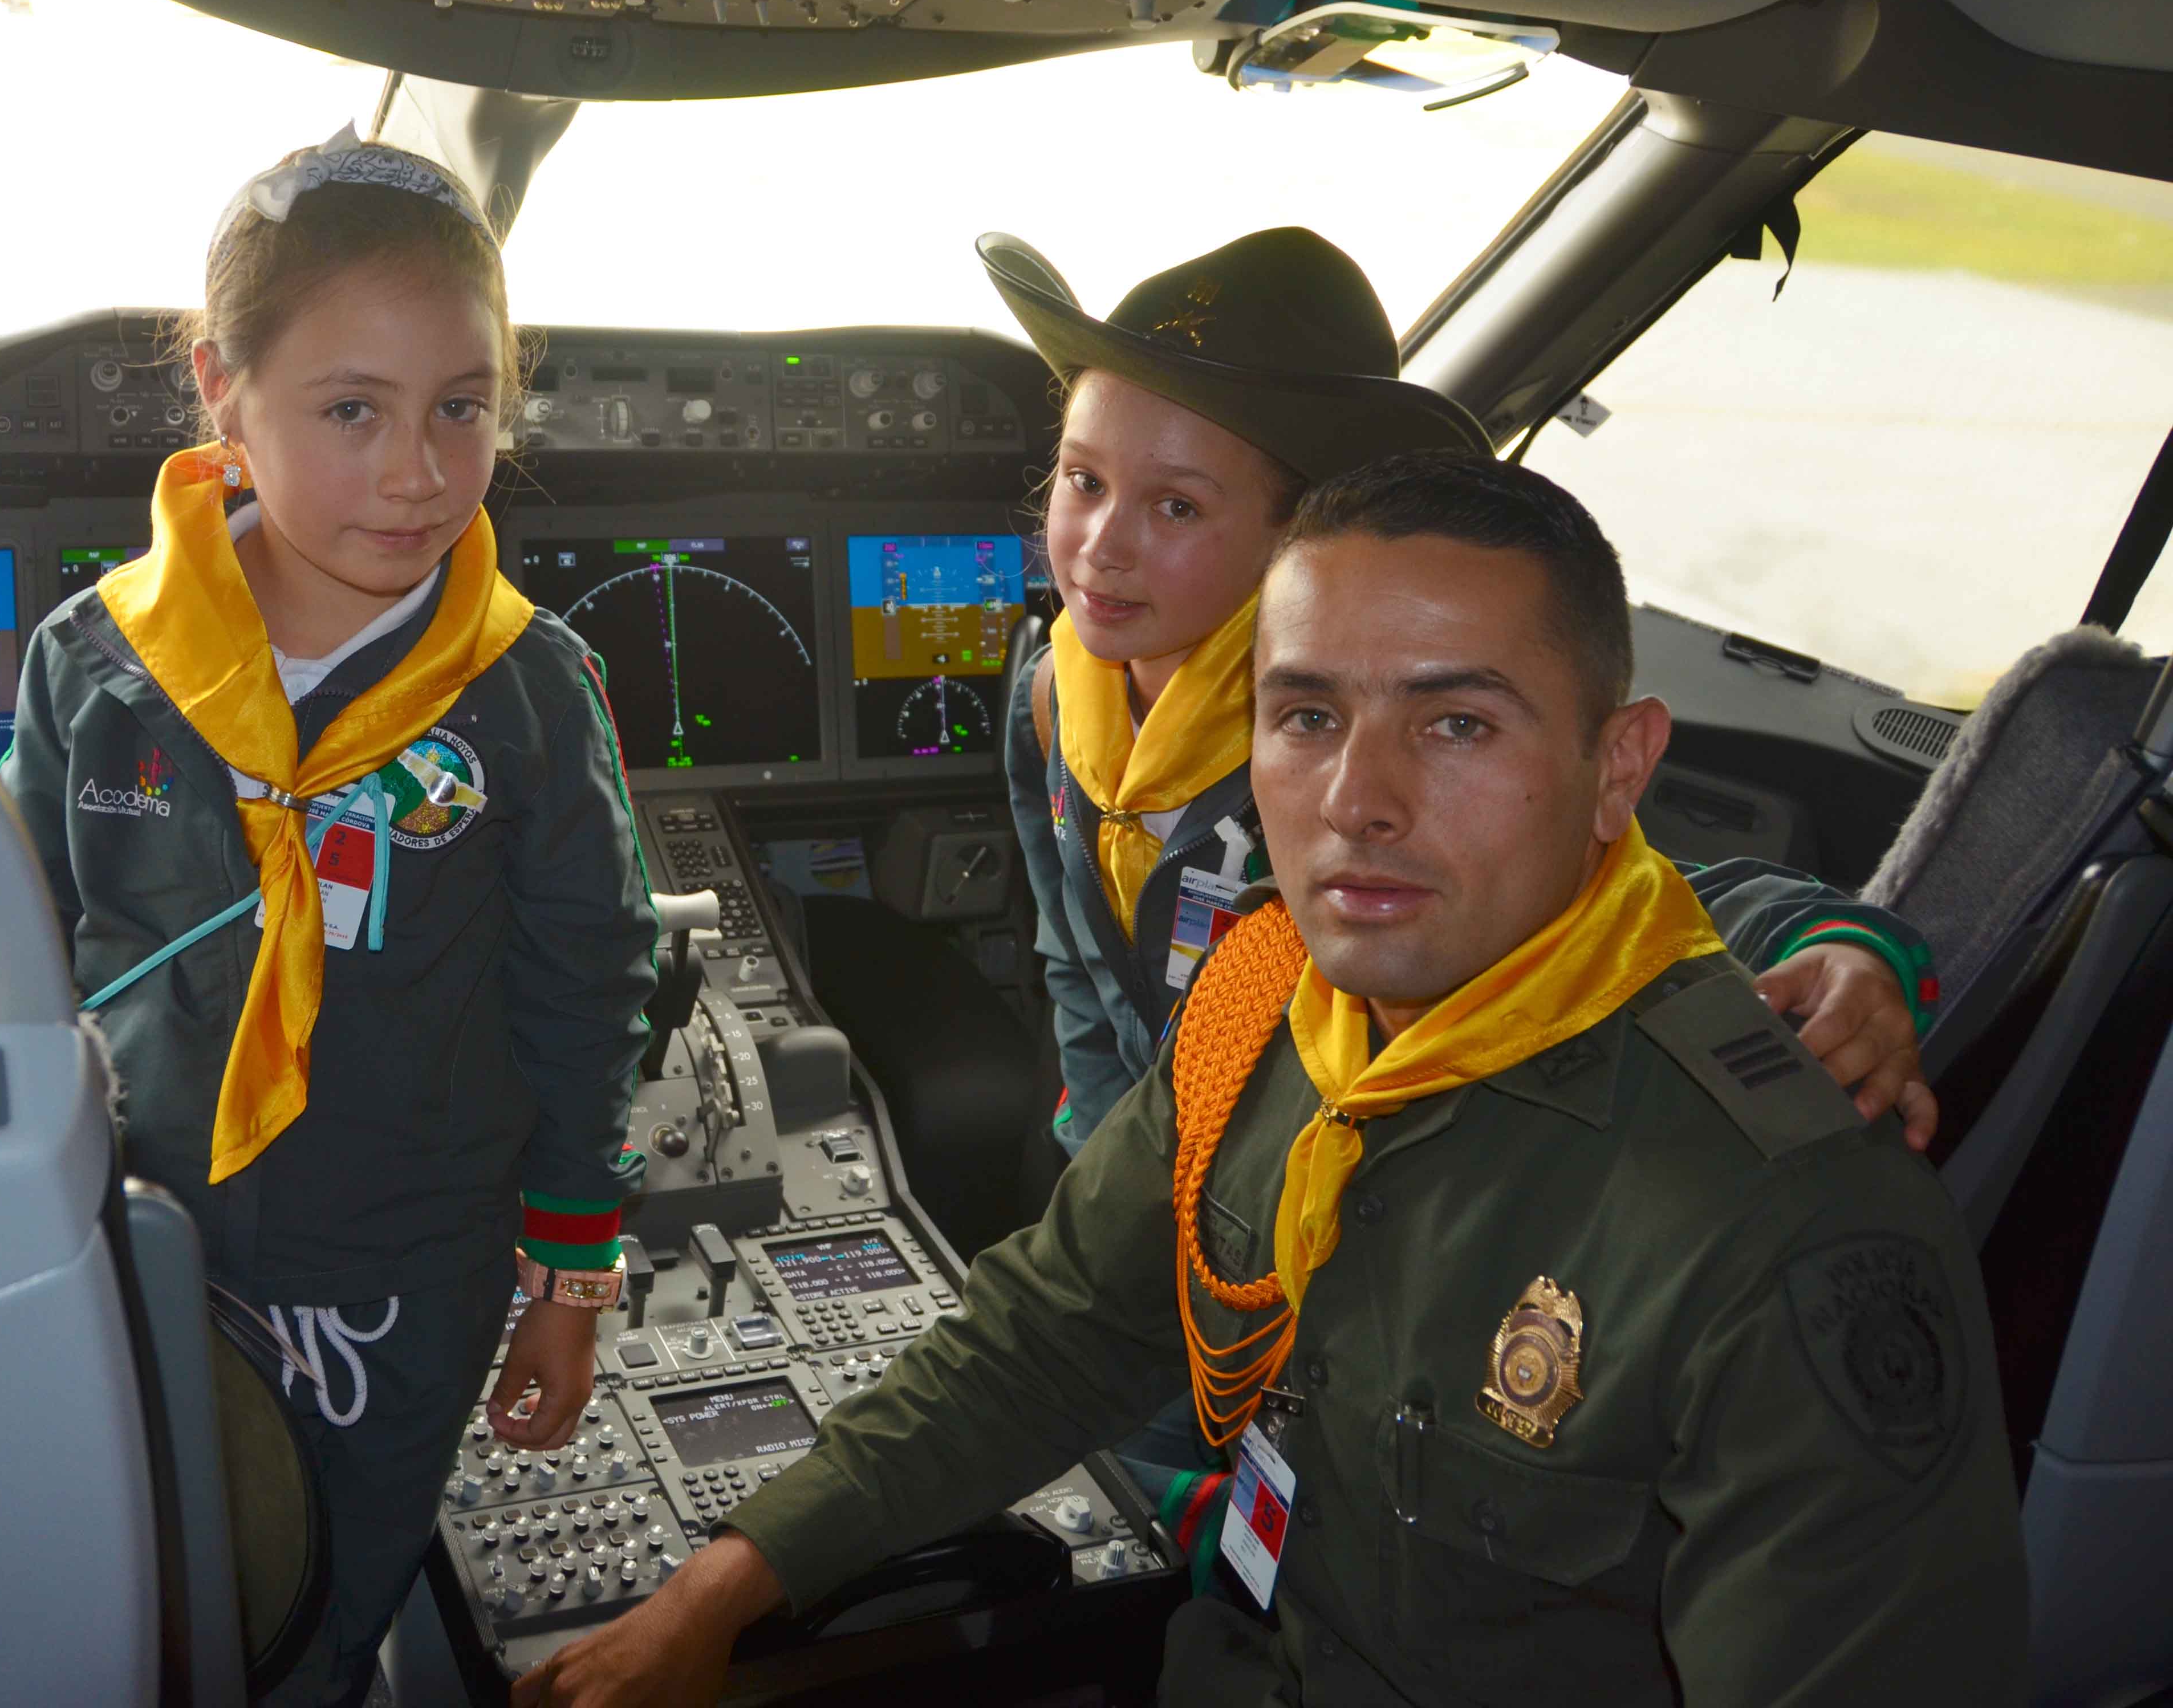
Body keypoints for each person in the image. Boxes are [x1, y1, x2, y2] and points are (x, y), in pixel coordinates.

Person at [514, 452, 2025, 1708]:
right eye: (1307, 716)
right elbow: (1048, 1339)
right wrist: (723, 1585)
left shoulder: (1784, 1227)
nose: (1357, 802)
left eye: (1455, 722)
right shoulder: (1269, 1018)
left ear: (1617, 766)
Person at [988, 226, 1945, 1550]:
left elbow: (1654, 899)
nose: (1100, 546)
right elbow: (1074, 967)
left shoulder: (1346, 759)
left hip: (1352, 1227)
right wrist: (1115, 1170)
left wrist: (1848, 952)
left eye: (1177, 508)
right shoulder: (1050, 695)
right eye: (1081, 481)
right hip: (1174, 1196)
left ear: (1295, 542)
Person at [0, 129, 657, 1707]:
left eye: (464, 409)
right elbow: (13, 929)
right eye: (350, 413)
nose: (420, 472)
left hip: (400, 1268)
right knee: (138, 1584)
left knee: (309, 1613)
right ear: (223, 396)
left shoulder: (527, 693)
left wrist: (569, 1279)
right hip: (132, 1231)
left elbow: (588, 983)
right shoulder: (96, 659)